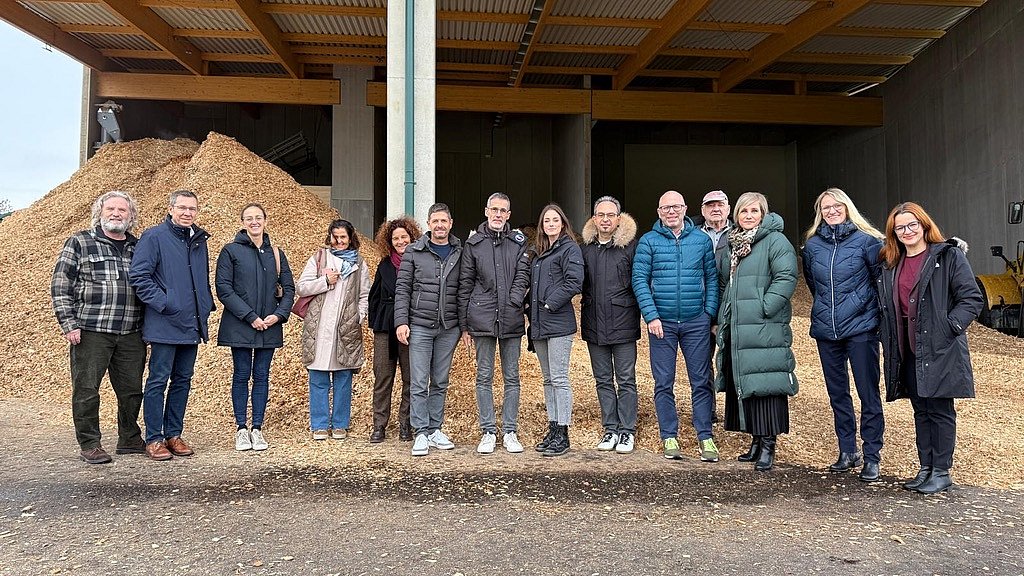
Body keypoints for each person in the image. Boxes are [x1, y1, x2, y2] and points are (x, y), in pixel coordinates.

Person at [877, 202, 982, 494]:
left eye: (912, 225)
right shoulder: (891, 264)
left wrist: (950, 327)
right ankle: (926, 467)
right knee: (920, 410)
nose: (907, 231)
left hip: (939, 348)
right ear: (894, 233)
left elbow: (971, 298)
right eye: (900, 227)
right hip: (908, 349)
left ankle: (942, 471)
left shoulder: (947, 257)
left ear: (924, 226)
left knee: (940, 410)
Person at [51, 191, 147, 464]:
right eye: (111, 210)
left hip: (131, 331)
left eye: (123, 210)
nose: (116, 214)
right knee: (87, 388)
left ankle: (129, 438)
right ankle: (90, 443)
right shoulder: (80, 242)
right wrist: (69, 324)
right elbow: (60, 286)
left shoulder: (138, 247)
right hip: (92, 329)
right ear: (100, 213)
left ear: (131, 216)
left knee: (131, 390)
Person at [802, 188, 885, 481]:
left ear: (847, 207)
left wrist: (866, 312)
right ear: (820, 213)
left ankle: (872, 455)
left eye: (837, 206)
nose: (832, 211)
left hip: (861, 329)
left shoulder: (868, 241)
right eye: (826, 208)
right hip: (827, 330)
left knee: (867, 393)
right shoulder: (812, 246)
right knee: (838, 394)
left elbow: (879, 282)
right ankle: (847, 450)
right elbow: (814, 284)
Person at [632, 190, 719, 462]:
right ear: (658, 212)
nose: (671, 212)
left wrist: (708, 314)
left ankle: (705, 436)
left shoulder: (701, 241)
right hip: (663, 324)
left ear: (684, 209)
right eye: (665, 208)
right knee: (663, 382)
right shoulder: (648, 242)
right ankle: (669, 435)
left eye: (676, 207)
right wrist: (651, 316)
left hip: (696, 322)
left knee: (701, 381)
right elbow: (639, 281)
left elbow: (712, 279)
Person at [715, 192, 798, 472]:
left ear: (763, 213)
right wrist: (723, 316)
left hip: (764, 325)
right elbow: (727, 283)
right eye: (743, 211)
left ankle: (768, 445)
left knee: (765, 384)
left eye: (754, 211)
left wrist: (765, 307)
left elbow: (786, 277)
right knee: (746, 383)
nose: (748, 216)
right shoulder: (733, 244)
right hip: (739, 326)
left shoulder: (775, 241)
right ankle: (755, 440)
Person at [129, 189, 215, 461]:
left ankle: (173, 434)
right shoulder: (154, 237)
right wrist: (166, 303)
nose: (187, 213)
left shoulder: (199, 240)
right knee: (157, 380)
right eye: (182, 208)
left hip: (192, 323)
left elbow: (200, 277)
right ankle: (154, 438)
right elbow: (139, 276)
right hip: (165, 323)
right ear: (171, 209)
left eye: (192, 208)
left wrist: (206, 305)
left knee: (183, 381)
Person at [215, 203, 296, 452]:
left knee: (261, 376)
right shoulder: (230, 251)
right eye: (249, 218)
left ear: (265, 220)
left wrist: (278, 315)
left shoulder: (276, 253)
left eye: (258, 217)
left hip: (269, 325)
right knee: (241, 375)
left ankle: (257, 428)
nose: (254, 222)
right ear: (242, 222)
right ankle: (241, 428)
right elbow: (223, 288)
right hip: (240, 324)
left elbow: (289, 289)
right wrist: (250, 316)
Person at [458, 193, 531, 455]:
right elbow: (465, 283)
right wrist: (464, 324)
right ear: (486, 211)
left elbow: (524, 274)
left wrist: (514, 301)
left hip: (510, 317)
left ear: (509, 215)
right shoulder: (474, 245)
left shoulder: (518, 242)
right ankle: (488, 430)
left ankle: (510, 430)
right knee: (484, 376)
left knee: (512, 376)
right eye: (494, 210)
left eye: (503, 211)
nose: (498, 214)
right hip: (482, 318)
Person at [395, 203, 464, 457]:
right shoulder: (414, 251)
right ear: (428, 223)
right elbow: (402, 289)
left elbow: (463, 291)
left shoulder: (460, 252)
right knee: (419, 380)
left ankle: (435, 429)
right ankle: (420, 432)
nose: (439, 225)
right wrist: (401, 321)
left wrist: (464, 327)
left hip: (449, 327)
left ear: (451, 223)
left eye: (443, 221)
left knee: (440, 381)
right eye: (435, 221)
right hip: (420, 326)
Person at [296, 219, 369, 441]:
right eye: (335, 236)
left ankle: (340, 424)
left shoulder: (359, 263)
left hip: (346, 327)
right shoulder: (319, 258)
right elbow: (302, 286)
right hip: (319, 327)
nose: (338, 241)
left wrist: (359, 316)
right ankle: (319, 424)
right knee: (317, 376)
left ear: (350, 238)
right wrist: (325, 281)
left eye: (343, 237)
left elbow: (364, 293)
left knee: (343, 377)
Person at [580, 196, 640, 454]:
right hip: (594, 322)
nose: (605, 220)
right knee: (602, 379)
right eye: (600, 215)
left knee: (626, 379)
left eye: (610, 215)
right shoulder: (586, 248)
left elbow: (639, 283)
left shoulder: (630, 247)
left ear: (618, 218)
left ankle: (627, 431)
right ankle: (610, 428)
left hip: (623, 322)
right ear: (594, 218)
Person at [528, 203, 584, 457]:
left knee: (560, 379)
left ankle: (563, 431)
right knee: (548, 379)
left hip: (558, 321)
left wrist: (550, 302)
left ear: (562, 224)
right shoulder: (540, 252)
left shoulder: (569, 248)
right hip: (539, 323)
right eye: (546, 220)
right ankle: (552, 427)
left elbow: (574, 281)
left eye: (555, 220)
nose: (550, 224)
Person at [367, 216, 421, 443]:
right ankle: (379, 425)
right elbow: (374, 297)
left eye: (404, 237)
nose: (400, 241)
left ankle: (405, 424)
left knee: (411, 377)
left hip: (412, 326)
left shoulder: (420, 262)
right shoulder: (384, 264)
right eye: (395, 238)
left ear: (412, 238)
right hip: (385, 328)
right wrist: (377, 321)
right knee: (383, 376)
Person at [699, 189, 732, 423]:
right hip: (701, 309)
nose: (715, 209)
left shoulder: (740, 233)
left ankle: (735, 413)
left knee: (733, 362)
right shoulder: (694, 235)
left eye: (720, 205)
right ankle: (707, 411)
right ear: (703, 211)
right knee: (702, 363)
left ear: (728, 208)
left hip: (732, 308)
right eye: (710, 206)